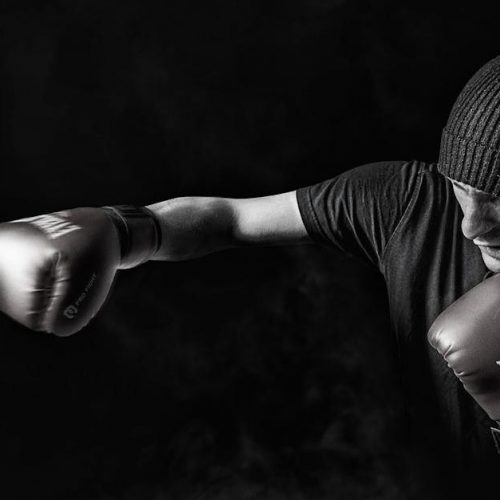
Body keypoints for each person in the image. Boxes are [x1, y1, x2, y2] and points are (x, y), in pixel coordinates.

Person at [2, 55, 500, 497]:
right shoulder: (408, 203)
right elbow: (229, 220)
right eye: (462, 187)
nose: (472, 225)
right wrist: (125, 231)